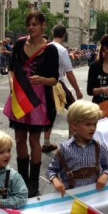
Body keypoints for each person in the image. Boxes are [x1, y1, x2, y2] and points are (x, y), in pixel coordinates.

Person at [4, 11, 59, 197]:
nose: (31, 27)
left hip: (38, 100)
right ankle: (21, 180)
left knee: (34, 140)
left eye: (35, 24)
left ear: (43, 25)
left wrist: (41, 79)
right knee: (19, 139)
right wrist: (12, 84)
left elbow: (54, 80)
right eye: (29, 24)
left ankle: (33, 183)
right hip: (19, 97)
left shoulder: (50, 49)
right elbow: (11, 69)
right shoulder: (19, 44)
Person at [46, 99, 108, 196]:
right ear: (74, 126)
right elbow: (51, 170)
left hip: (94, 196)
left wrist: (105, 175)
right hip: (71, 198)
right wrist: (56, 181)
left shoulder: (99, 148)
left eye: (95, 124)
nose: (92, 128)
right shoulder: (64, 149)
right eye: (88, 124)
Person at [42, 24, 83, 153]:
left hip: (44, 84)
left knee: (50, 113)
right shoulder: (61, 50)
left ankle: (47, 142)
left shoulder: (45, 46)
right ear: (64, 35)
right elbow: (69, 72)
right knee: (74, 111)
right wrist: (77, 90)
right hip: (57, 83)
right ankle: (71, 142)